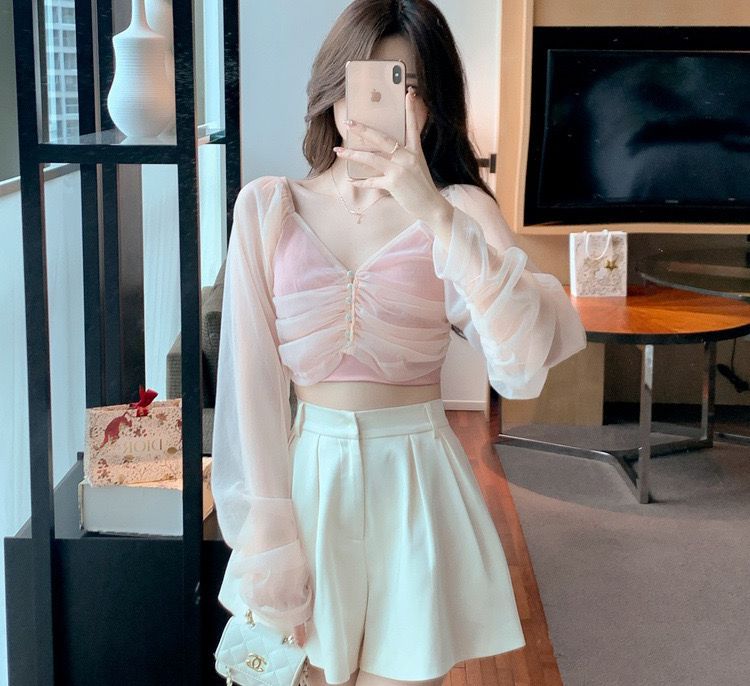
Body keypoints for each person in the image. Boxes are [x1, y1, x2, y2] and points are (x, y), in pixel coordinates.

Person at [211, 2, 588, 686]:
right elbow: (251, 392)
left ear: (431, 103)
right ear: (334, 86)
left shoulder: (460, 211)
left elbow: (521, 364)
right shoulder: (268, 208)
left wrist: (432, 210)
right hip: (308, 485)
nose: (388, 103)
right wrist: (269, 539)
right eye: (374, 80)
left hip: (416, 484)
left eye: (409, 85)